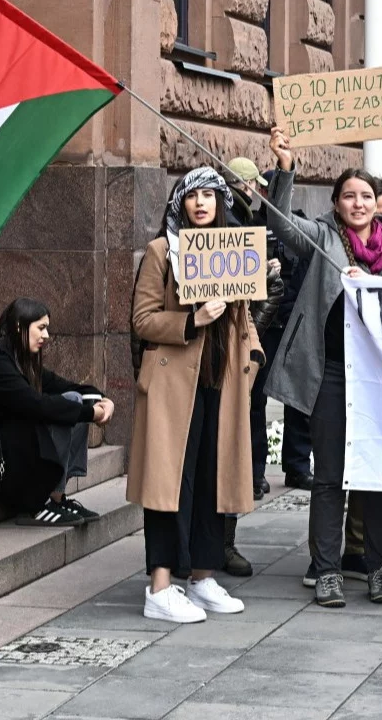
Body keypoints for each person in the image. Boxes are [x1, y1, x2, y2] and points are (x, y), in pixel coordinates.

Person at [264, 128, 382, 609]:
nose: (358, 202)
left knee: (376, 476)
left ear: (378, 202)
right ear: (336, 203)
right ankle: (326, 570)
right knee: (329, 475)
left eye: (366, 196)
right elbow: (282, 222)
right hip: (329, 372)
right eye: (348, 196)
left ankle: (379, 567)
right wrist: (285, 168)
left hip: (377, 379)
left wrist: (369, 283)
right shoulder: (323, 239)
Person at [129, 168, 263, 623]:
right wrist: (193, 320)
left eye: (209, 194)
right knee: (170, 487)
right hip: (173, 387)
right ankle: (160, 586)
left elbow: (245, 319)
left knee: (213, 480)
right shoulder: (162, 251)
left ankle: (202, 577)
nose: (201, 203)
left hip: (221, 386)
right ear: (180, 203)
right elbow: (143, 319)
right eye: (192, 195)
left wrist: (255, 357)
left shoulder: (236, 250)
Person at [0, 298, 113, 526]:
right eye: (41, 328)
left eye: (47, 328)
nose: (46, 336)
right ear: (19, 326)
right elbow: (35, 405)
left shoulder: (19, 359)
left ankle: (55, 497)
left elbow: (62, 385)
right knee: (42, 413)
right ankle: (35, 504)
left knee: (72, 400)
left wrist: (101, 399)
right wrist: (90, 413)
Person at [225, 156, 287, 576]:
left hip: (241, 350)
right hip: (198, 362)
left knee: (249, 417)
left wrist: (252, 342)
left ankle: (223, 540)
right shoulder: (171, 246)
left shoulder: (255, 217)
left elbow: (258, 302)